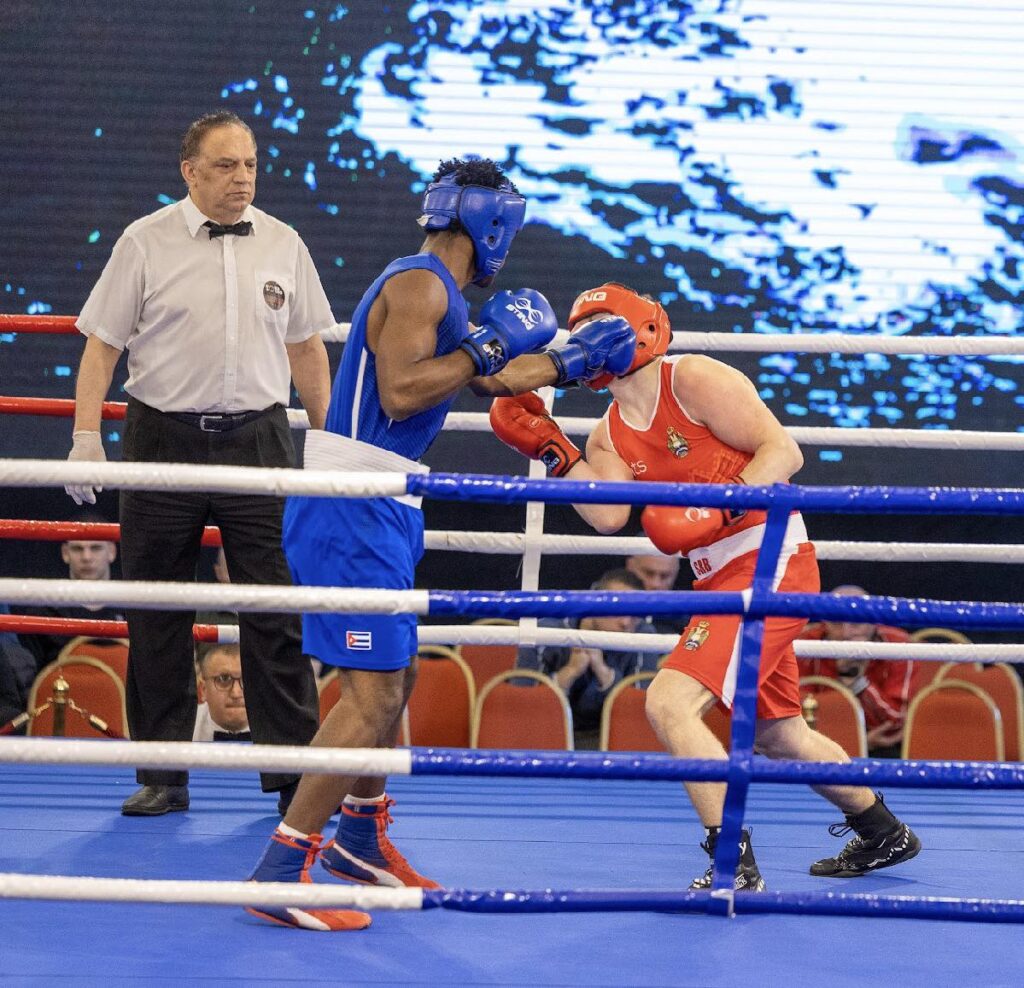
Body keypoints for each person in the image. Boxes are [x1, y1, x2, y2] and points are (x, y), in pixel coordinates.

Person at [246, 156, 639, 931]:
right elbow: (404, 392)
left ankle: (359, 841)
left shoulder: (441, 297)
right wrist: (484, 350)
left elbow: (488, 380)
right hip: (353, 503)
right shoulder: (422, 285)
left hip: (382, 502)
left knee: (393, 680)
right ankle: (282, 868)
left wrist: (570, 360)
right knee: (370, 697)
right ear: (491, 225)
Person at [490, 282, 921, 891]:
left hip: (769, 557)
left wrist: (720, 506)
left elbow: (783, 451)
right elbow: (608, 514)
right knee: (778, 734)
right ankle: (882, 830)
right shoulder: (609, 431)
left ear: (640, 331)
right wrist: (553, 449)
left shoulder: (693, 378)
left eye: (601, 326)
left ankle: (732, 863)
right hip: (717, 576)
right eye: (582, 330)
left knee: (668, 702)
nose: (590, 341)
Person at [64, 110, 329, 818]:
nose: (242, 178)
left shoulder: (283, 241)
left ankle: (293, 780)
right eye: (225, 166)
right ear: (189, 171)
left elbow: (307, 347)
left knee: (275, 612)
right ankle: (163, 775)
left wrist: (332, 445)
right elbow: (101, 344)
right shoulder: (143, 241)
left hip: (260, 439)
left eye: (250, 165)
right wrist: (86, 435)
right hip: (162, 438)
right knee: (157, 611)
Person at [516, 568, 660, 742]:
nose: (625, 622)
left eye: (635, 615)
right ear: (594, 602)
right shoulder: (548, 632)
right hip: (544, 737)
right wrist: (570, 672)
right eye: (619, 609)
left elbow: (639, 712)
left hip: (611, 743)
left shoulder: (643, 635)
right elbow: (521, 703)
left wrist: (604, 672)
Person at [799, 584, 916, 758]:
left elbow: (895, 722)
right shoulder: (803, 643)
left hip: (880, 746)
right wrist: (856, 742)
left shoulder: (899, 645)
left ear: (874, 621)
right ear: (824, 622)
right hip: (815, 741)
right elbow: (794, 713)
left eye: (856, 622)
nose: (846, 633)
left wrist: (857, 682)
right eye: (836, 623)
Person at [17, 517, 125, 680]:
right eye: (77, 549)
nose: (86, 557)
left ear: (112, 551)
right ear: (65, 553)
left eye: (95, 548)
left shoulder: (133, 610)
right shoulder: (44, 613)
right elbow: (32, 682)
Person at [193, 643, 250, 742]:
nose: (236, 693)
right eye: (224, 679)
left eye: (246, 679)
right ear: (203, 689)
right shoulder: (184, 727)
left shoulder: (277, 725)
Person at [624, 552, 688, 635]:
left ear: (675, 574)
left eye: (665, 576)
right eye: (648, 573)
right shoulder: (611, 604)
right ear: (630, 567)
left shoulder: (684, 619)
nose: (656, 584)